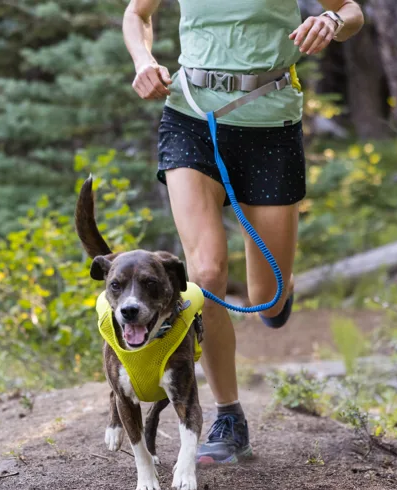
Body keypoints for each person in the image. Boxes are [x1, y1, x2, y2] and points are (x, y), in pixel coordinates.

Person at [123, 0, 364, 464]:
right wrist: (144, 61)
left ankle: (279, 295)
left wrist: (332, 21)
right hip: (191, 116)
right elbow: (138, 14)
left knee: (267, 296)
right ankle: (228, 418)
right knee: (206, 274)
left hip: (269, 125)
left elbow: (353, 12)